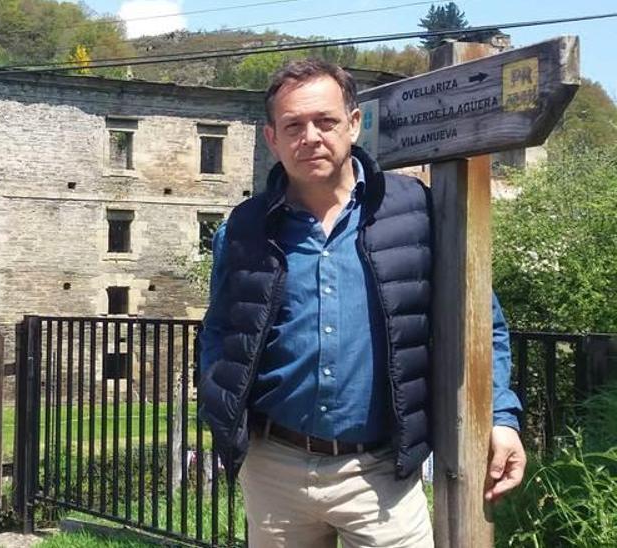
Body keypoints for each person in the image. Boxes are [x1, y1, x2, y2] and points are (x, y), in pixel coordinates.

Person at [197, 59, 525, 547]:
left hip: (380, 472)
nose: (310, 136)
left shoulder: (413, 211)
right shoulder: (245, 227)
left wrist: (500, 416)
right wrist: (218, 408)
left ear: (353, 123)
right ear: (273, 139)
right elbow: (221, 329)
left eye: (325, 121)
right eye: (293, 125)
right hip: (276, 470)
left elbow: (481, 321)